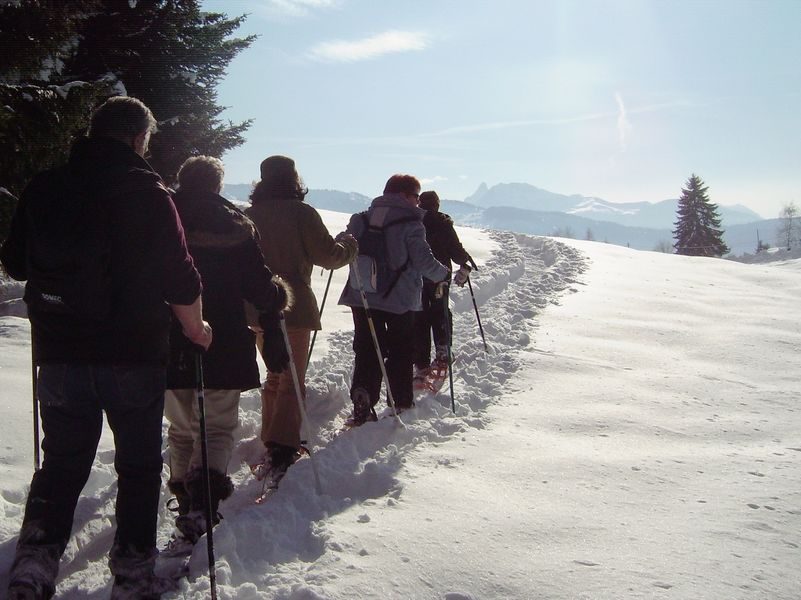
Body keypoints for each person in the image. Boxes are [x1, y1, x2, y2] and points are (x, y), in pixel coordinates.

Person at [0, 96, 212, 600]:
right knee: (138, 463)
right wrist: (197, 329)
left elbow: (16, 264)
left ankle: (35, 559)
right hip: (133, 352)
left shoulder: (46, 186)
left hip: (59, 349)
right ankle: (134, 570)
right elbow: (179, 278)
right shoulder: (149, 193)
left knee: (63, 458)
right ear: (141, 138)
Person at [164, 156, 290, 544]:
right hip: (224, 339)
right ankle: (203, 503)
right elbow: (258, 286)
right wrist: (277, 297)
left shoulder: (161, 215)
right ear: (218, 185)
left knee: (181, 429)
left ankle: (186, 503)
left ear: (182, 181)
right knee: (216, 427)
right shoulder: (235, 223)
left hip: (166, 338)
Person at [245, 155, 357, 481]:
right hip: (293, 305)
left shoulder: (249, 215)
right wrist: (348, 246)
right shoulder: (301, 213)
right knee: (292, 377)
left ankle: (272, 438)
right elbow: (328, 256)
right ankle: (282, 447)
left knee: (275, 373)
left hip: (257, 307)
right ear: (293, 178)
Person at [338, 174, 449, 425]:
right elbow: (423, 261)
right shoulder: (411, 224)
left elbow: (343, 248)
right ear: (403, 195)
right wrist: (444, 273)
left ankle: (363, 397)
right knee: (400, 349)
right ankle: (400, 401)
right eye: (415, 196)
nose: (418, 202)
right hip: (400, 298)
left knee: (366, 347)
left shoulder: (361, 219)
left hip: (362, 295)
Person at [413, 190, 474, 384]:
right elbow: (455, 250)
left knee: (420, 317)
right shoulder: (443, 223)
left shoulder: (415, 222)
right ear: (437, 204)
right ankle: (443, 350)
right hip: (440, 278)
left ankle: (421, 361)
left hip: (417, 278)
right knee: (440, 313)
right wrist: (465, 262)